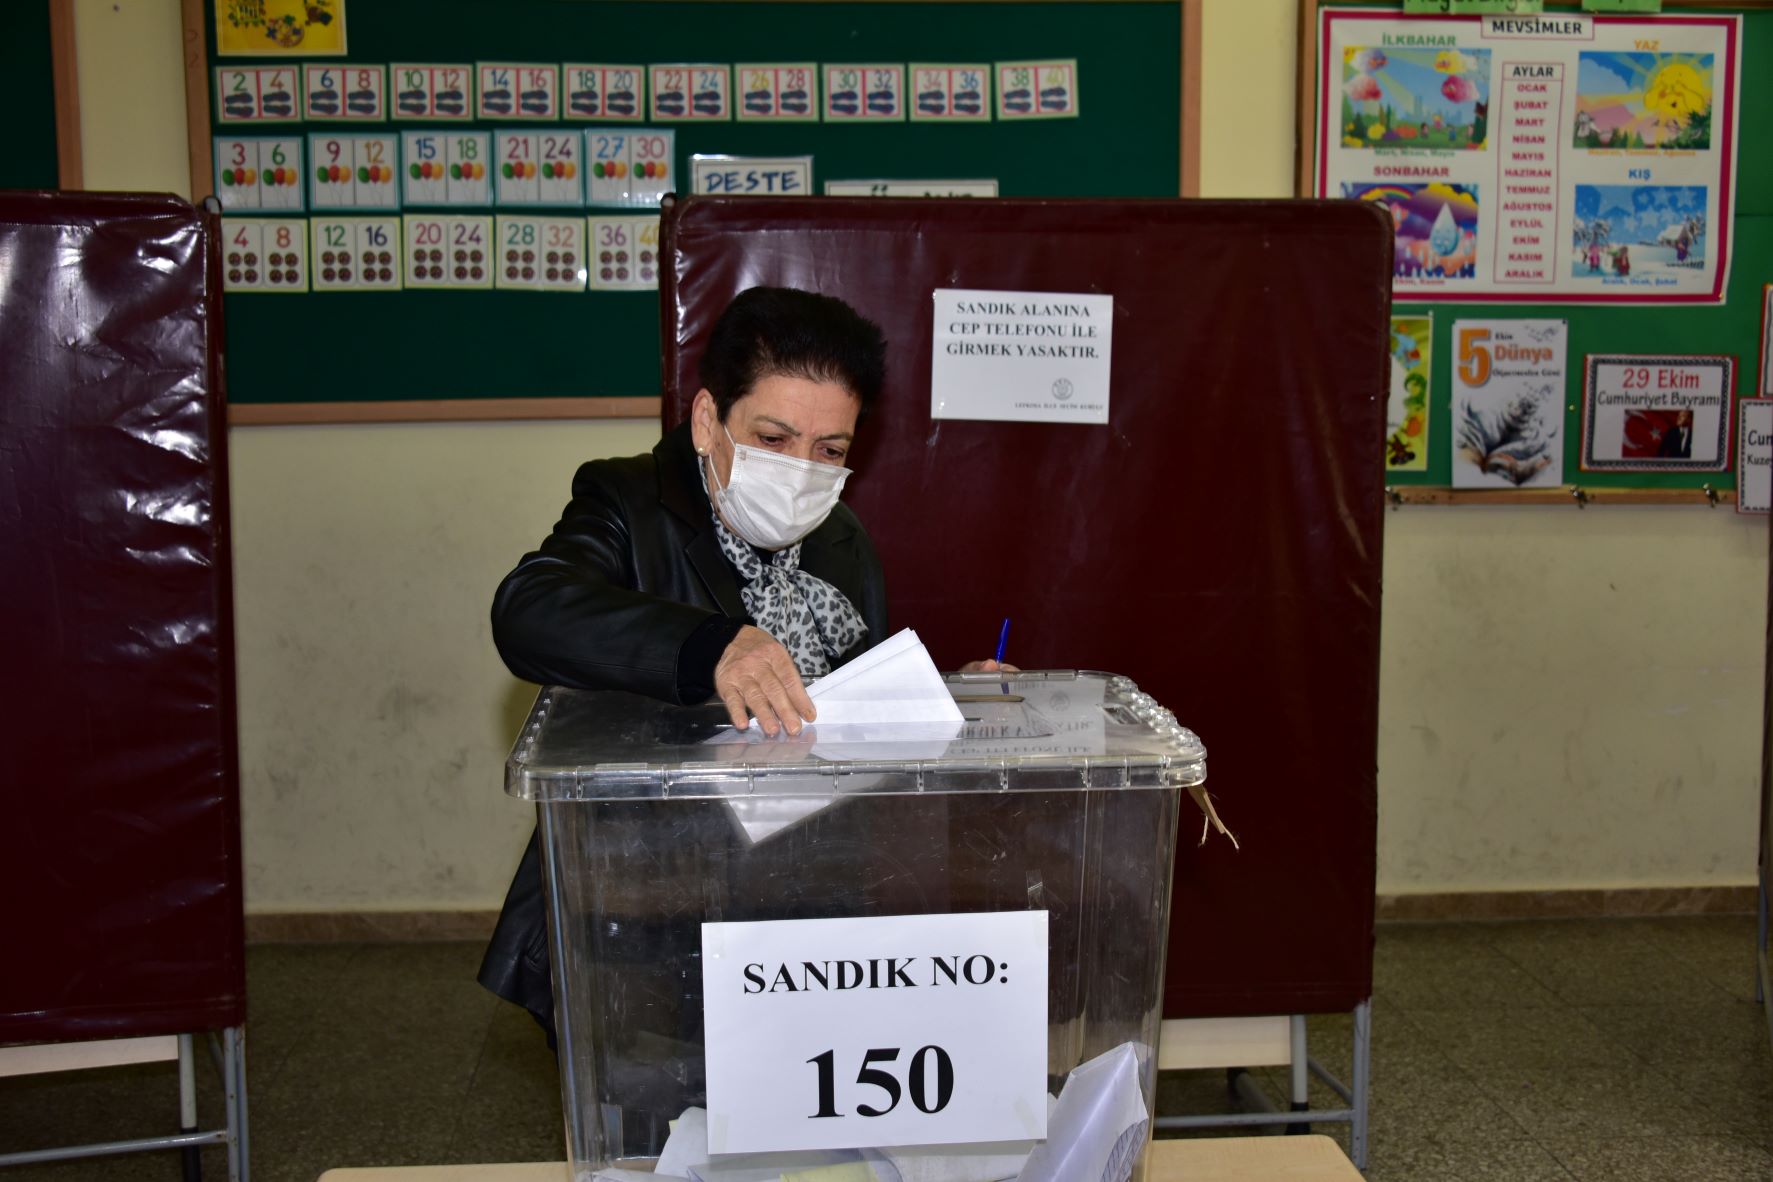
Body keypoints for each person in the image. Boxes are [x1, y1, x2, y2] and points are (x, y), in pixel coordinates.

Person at [478, 285, 1007, 1037]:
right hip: (639, 917)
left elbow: (842, 711)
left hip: (798, 909)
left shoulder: (840, 540)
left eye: (830, 451)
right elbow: (530, 610)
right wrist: (711, 645)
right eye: (773, 438)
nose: (801, 470)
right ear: (707, 420)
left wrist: (943, 701)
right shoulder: (630, 501)